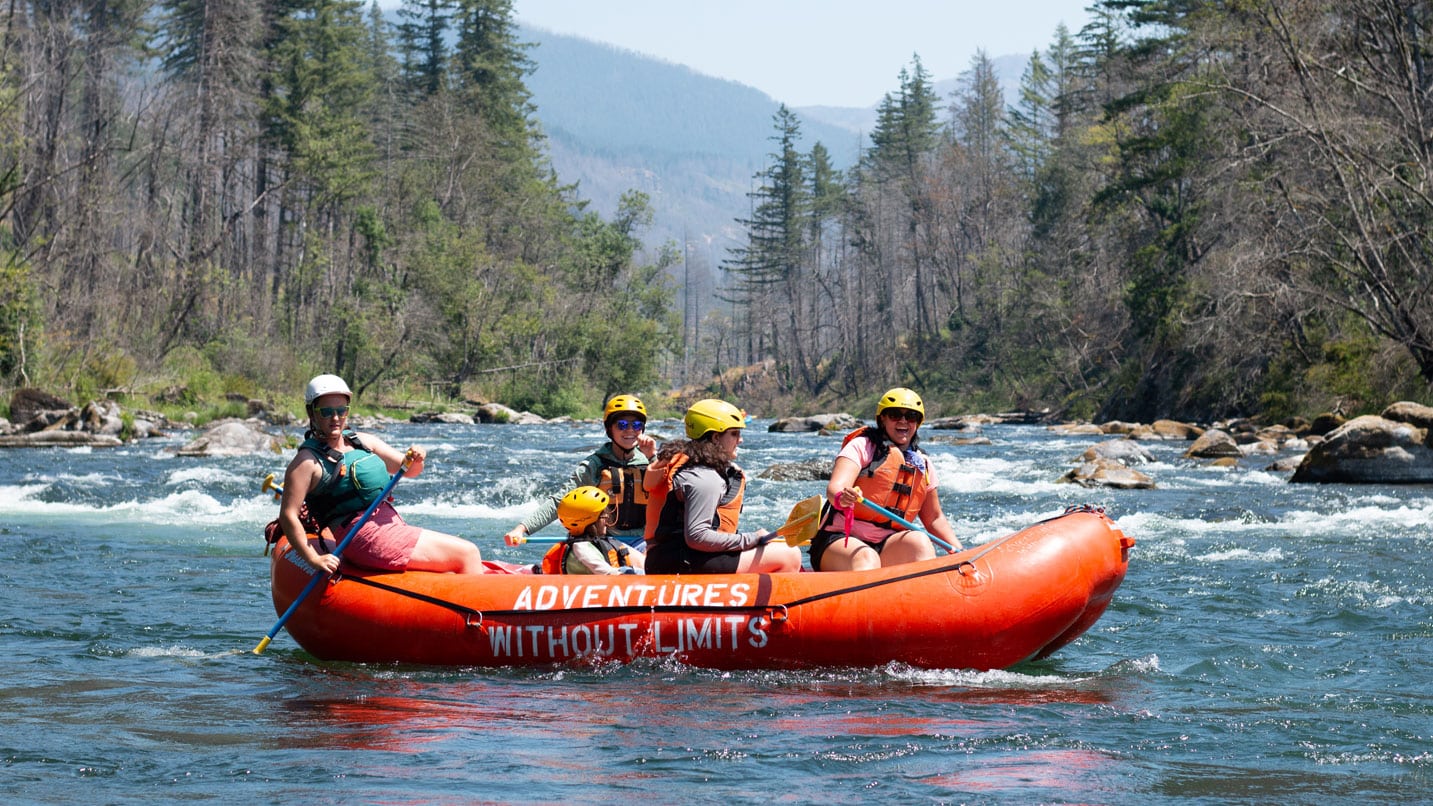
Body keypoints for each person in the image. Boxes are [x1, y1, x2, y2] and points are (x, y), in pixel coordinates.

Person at [278, 374, 484, 575]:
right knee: (468, 553)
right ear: (311, 413)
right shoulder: (306, 462)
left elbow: (410, 470)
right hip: (364, 537)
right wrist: (313, 558)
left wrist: (417, 458)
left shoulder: (362, 441)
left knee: (458, 559)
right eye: (326, 411)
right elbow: (288, 515)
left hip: (391, 526)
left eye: (342, 410)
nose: (335, 418)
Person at [809, 387, 962, 572]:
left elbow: (935, 519)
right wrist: (843, 496)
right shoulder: (862, 446)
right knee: (867, 558)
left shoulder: (923, 464)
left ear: (918, 422)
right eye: (895, 414)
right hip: (841, 540)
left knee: (920, 542)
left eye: (911, 416)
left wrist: (961, 554)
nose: (903, 421)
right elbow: (835, 488)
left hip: (888, 543)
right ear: (882, 418)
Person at [644, 398, 802, 574]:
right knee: (789, 555)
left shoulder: (695, 466)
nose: (740, 440)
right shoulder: (704, 477)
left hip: (674, 557)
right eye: (734, 433)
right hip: (680, 562)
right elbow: (697, 536)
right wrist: (751, 539)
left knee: (777, 544)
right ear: (715, 437)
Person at [504, 394, 655, 547]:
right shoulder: (595, 465)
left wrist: (653, 459)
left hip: (644, 541)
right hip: (605, 541)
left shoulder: (651, 460)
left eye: (636, 425)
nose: (630, 430)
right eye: (622, 425)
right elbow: (560, 502)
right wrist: (522, 528)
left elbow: (669, 496)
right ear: (610, 429)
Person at [539, 486, 645, 575]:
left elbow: (642, 561)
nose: (607, 516)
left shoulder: (599, 543)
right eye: (602, 515)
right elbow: (606, 573)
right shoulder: (582, 548)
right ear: (589, 521)